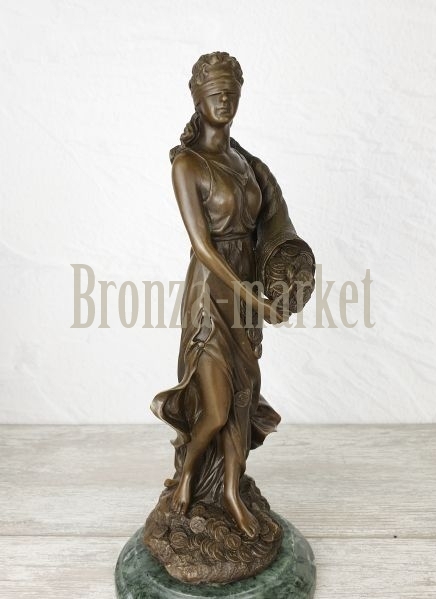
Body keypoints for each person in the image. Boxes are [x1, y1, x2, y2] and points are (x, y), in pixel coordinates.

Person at [151, 52, 315, 539]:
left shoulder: (246, 163)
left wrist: (280, 283)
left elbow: (268, 228)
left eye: (231, 92)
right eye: (214, 93)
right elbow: (202, 246)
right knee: (217, 405)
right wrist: (253, 297)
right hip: (212, 291)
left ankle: (229, 492)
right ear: (197, 100)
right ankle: (188, 475)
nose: (224, 100)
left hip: (248, 283)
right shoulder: (188, 164)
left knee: (243, 399)